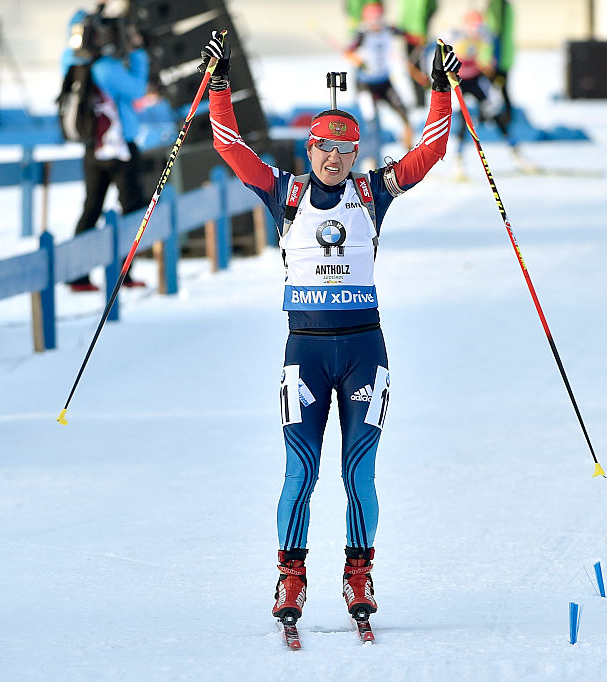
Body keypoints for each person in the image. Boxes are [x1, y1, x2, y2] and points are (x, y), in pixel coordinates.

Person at [198, 31, 460, 631]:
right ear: (310, 150)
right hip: (305, 354)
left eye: (344, 151)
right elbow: (231, 147)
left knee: (358, 472)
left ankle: (359, 571)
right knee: (301, 470)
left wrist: (441, 90)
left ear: (355, 155)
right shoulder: (286, 194)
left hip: (364, 349)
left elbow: (429, 153)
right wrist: (219, 86)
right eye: (323, 150)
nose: (333, 160)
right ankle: (291, 577)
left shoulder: (371, 192)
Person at [62, 6, 149, 292]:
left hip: (92, 150)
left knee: (91, 209)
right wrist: (137, 52)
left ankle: (77, 274)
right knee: (133, 209)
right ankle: (123, 273)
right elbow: (137, 89)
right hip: (121, 149)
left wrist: (84, 19)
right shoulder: (107, 68)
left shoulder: (71, 62)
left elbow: (73, 39)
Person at [448, 10, 529, 180]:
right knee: (466, 118)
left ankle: (516, 153)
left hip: (476, 80)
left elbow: (485, 59)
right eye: (473, 26)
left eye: (479, 26)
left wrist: (491, 71)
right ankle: (458, 160)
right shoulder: (458, 38)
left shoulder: (484, 36)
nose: (476, 30)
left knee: (495, 112)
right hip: (460, 81)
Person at [345, 3, 418, 153]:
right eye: (373, 20)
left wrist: (418, 40)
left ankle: (410, 151)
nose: (376, 24)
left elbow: (409, 36)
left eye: (379, 19)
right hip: (366, 83)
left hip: (384, 81)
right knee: (369, 118)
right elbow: (349, 53)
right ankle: (366, 153)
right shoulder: (362, 34)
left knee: (404, 113)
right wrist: (357, 59)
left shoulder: (388, 29)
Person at [397, 0, 438, 108]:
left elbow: (433, 8)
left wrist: (423, 29)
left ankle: (424, 101)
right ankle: (421, 101)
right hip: (408, 33)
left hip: (418, 35)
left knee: (417, 68)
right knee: (413, 68)